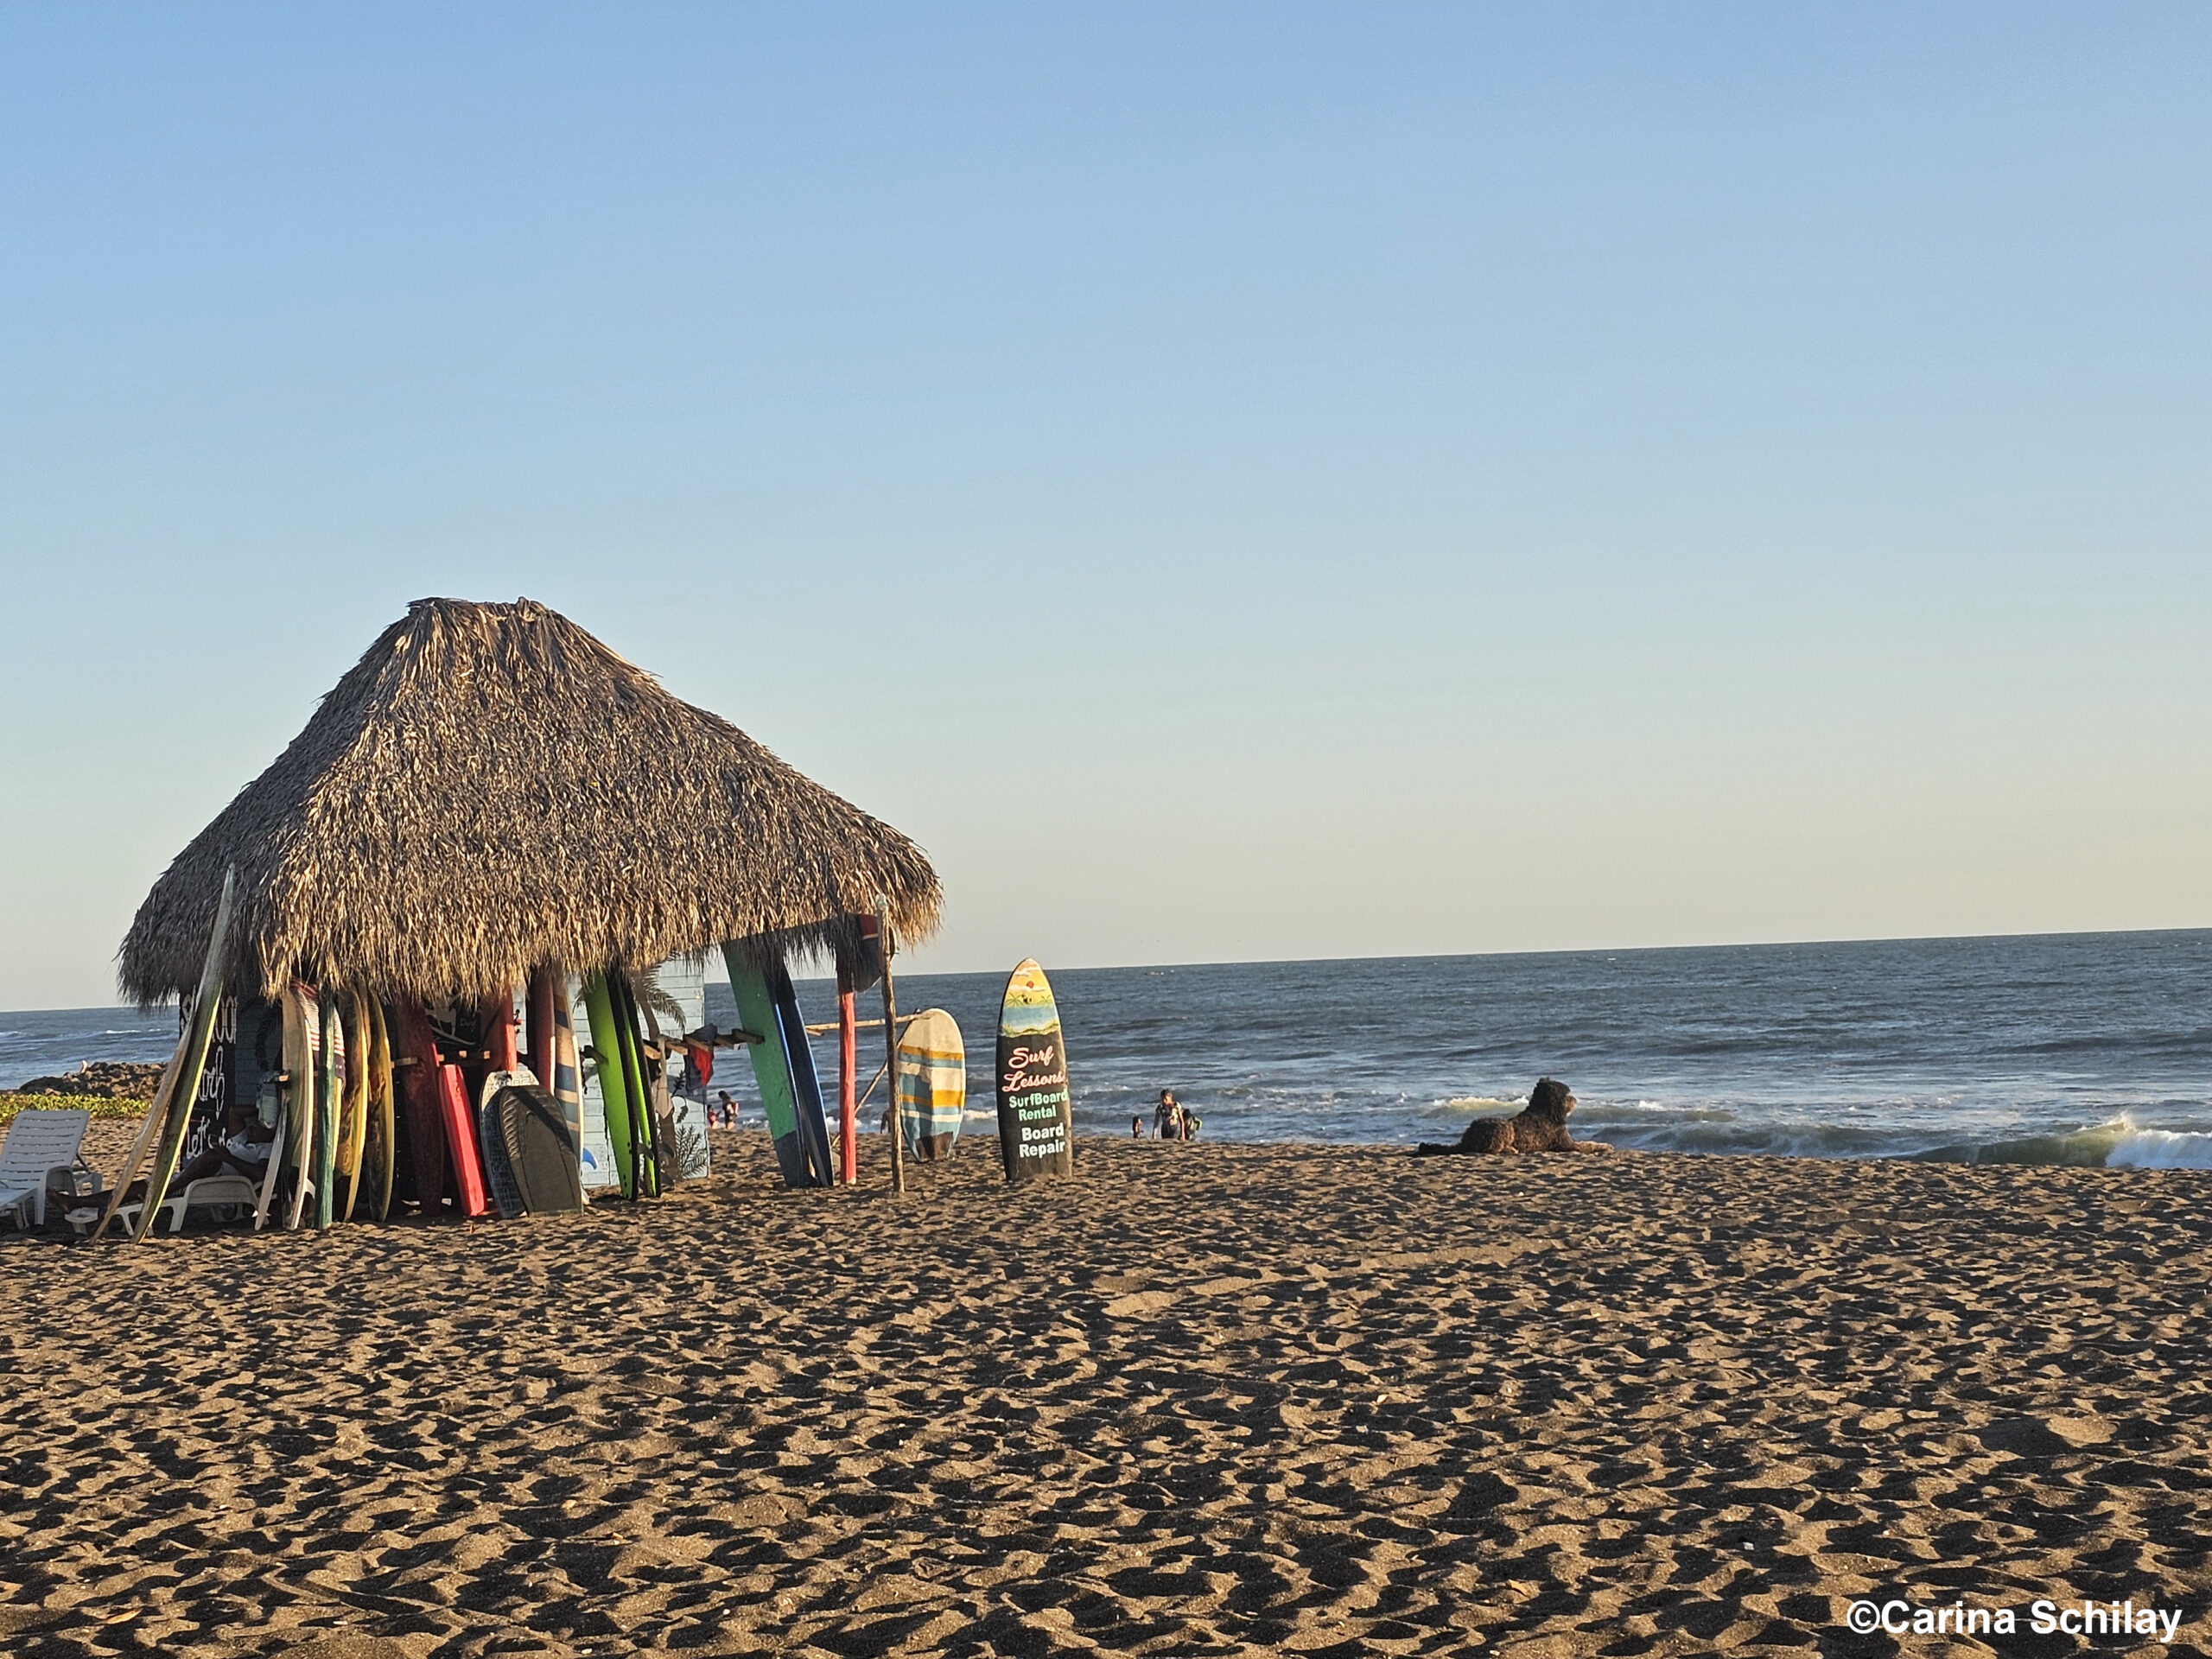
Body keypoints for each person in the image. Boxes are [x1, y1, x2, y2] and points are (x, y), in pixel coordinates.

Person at [1414, 1077, 1609, 1155]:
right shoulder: (1551, 1127)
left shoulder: (1552, 1126)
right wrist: (1597, 1147)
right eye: (1565, 1099)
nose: (1570, 1102)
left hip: (1479, 1134)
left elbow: (1568, 1146)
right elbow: (1572, 1148)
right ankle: (1500, 1148)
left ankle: (1434, 1150)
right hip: (1488, 1133)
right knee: (1503, 1129)